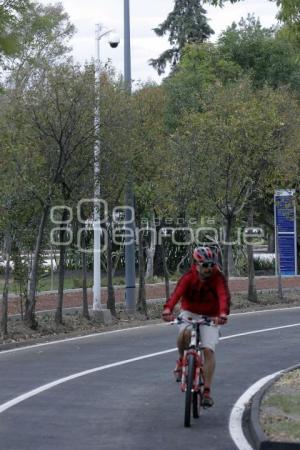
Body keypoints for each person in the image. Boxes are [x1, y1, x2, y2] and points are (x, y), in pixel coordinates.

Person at [162, 246, 230, 407]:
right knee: (184, 335)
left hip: (211, 316)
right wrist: (167, 309)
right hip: (190, 312)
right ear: (196, 264)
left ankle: (206, 391)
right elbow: (176, 294)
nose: (208, 268)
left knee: (208, 350)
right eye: (204, 265)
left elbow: (223, 296)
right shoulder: (188, 277)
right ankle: (181, 360)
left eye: (211, 265)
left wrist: (222, 314)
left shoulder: (218, 277)